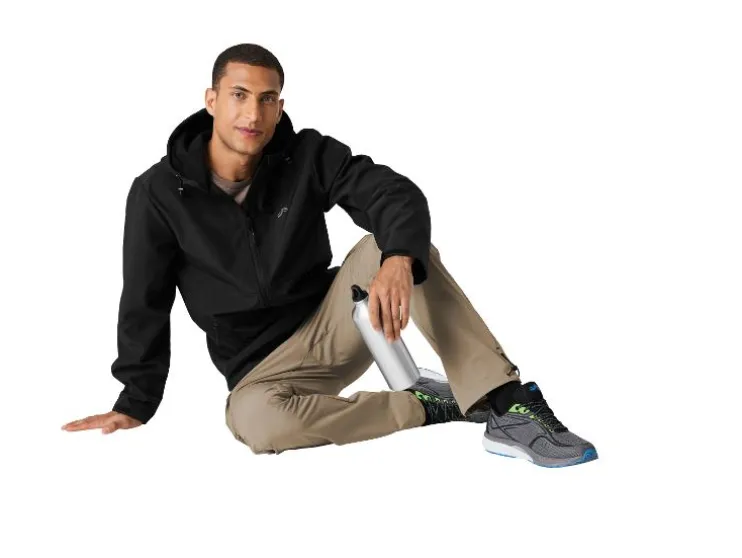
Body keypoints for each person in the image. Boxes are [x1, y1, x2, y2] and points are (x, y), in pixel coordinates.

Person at [61, 43, 597, 467]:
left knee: (398, 244)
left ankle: (505, 403)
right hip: (258, 370)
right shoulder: (157, 193)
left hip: (338, 323)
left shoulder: (306, 154)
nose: (253, 112)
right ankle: (428, 404)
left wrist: (397, 260)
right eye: (239, 95)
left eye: (267, 98)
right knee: (256, 427)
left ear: (280, 107)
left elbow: (395, 195)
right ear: (212, 100)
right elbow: (145, 298)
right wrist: (135, 402)